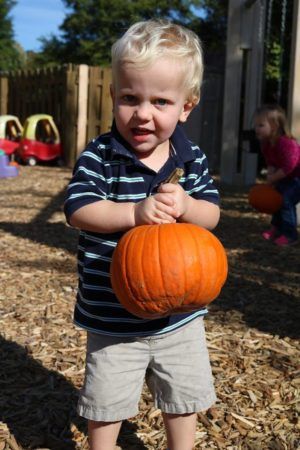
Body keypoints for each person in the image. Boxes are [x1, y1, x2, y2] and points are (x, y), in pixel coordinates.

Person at [64, 19, 220, 450]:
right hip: (112, 317)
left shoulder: (192, 160)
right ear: (114, 96)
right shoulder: (100, 155)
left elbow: (211, 216)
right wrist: (134, 212)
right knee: (106, 401)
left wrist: (188, 206)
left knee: (182, 396)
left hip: (181, 313)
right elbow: (78, 210)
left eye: (160, 101)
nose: (143, 113)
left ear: (186, 107)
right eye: (131, 98)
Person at [254, 104, 300, 246]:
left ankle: (290, 233)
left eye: (261, 125)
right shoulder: (266, 144)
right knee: (276, 200)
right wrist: (271, 175)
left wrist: (273, 178)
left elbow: (290, 166)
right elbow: (271, 162)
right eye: (255, 125)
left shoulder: (286, 143)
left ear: (274, 126)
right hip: (285, 178)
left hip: (296, 179)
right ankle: (277, 227)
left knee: (285, 201)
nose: (256, 128)